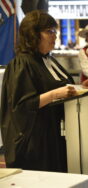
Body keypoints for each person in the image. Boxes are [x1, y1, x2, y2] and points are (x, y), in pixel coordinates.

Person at [0, 10, 77, 172]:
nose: (54, 36)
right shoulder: (21, 63)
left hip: (55, 136)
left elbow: (64, 85)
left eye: (55, 31)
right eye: (49, 31)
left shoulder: (50, 60)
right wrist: (55, 94)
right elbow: (22, 106)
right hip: (36, 143)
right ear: (32, 34)